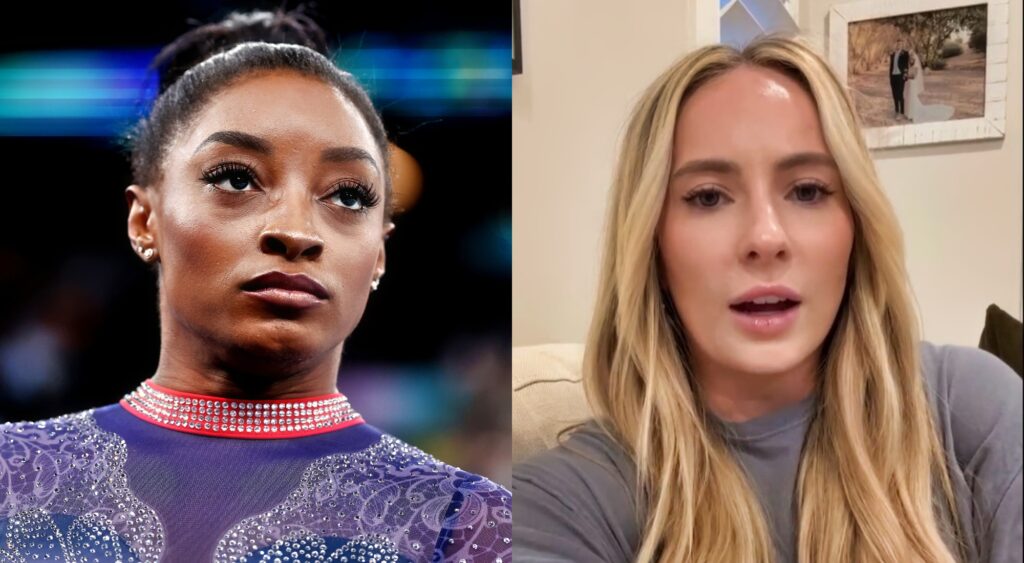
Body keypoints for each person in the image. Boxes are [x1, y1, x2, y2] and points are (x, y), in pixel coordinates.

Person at [0, 9, 511, 562]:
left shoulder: (469, 522)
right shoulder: (11, 475)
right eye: (236, 178)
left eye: (348, 195)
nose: (295, 232)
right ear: (145, 220)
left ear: (380, 251)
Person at [513, 34, 1021, 562]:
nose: (765, 238)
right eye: (708, 197)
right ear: (651, 246)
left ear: (858, 228)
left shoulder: (968, 411)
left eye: (807, 190)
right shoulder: (564, 501)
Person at [905, 51, 956, 123]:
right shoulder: (909, 66)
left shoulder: (916, 67)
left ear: (915, 60)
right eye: (910, 59)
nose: (911, 60)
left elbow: (914, 76)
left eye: (912, 59)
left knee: (912, 97)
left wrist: (907, 76)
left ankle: (912, 113)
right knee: (910, 97)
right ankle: (909, 113)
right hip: (909, 84)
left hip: (912, 84)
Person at [889, 38, 910, 120]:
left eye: (900, 44)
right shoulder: (893, 54)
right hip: (893, 76)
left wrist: (905, 76)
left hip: (900, 76)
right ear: (896, 45)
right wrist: (890, 76)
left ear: (902, 45)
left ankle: (902, 112)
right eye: (898, 44)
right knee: (894, 94)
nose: (899, 45)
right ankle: (896, 110)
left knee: (900, 94)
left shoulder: (905, 53)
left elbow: (906, 66)